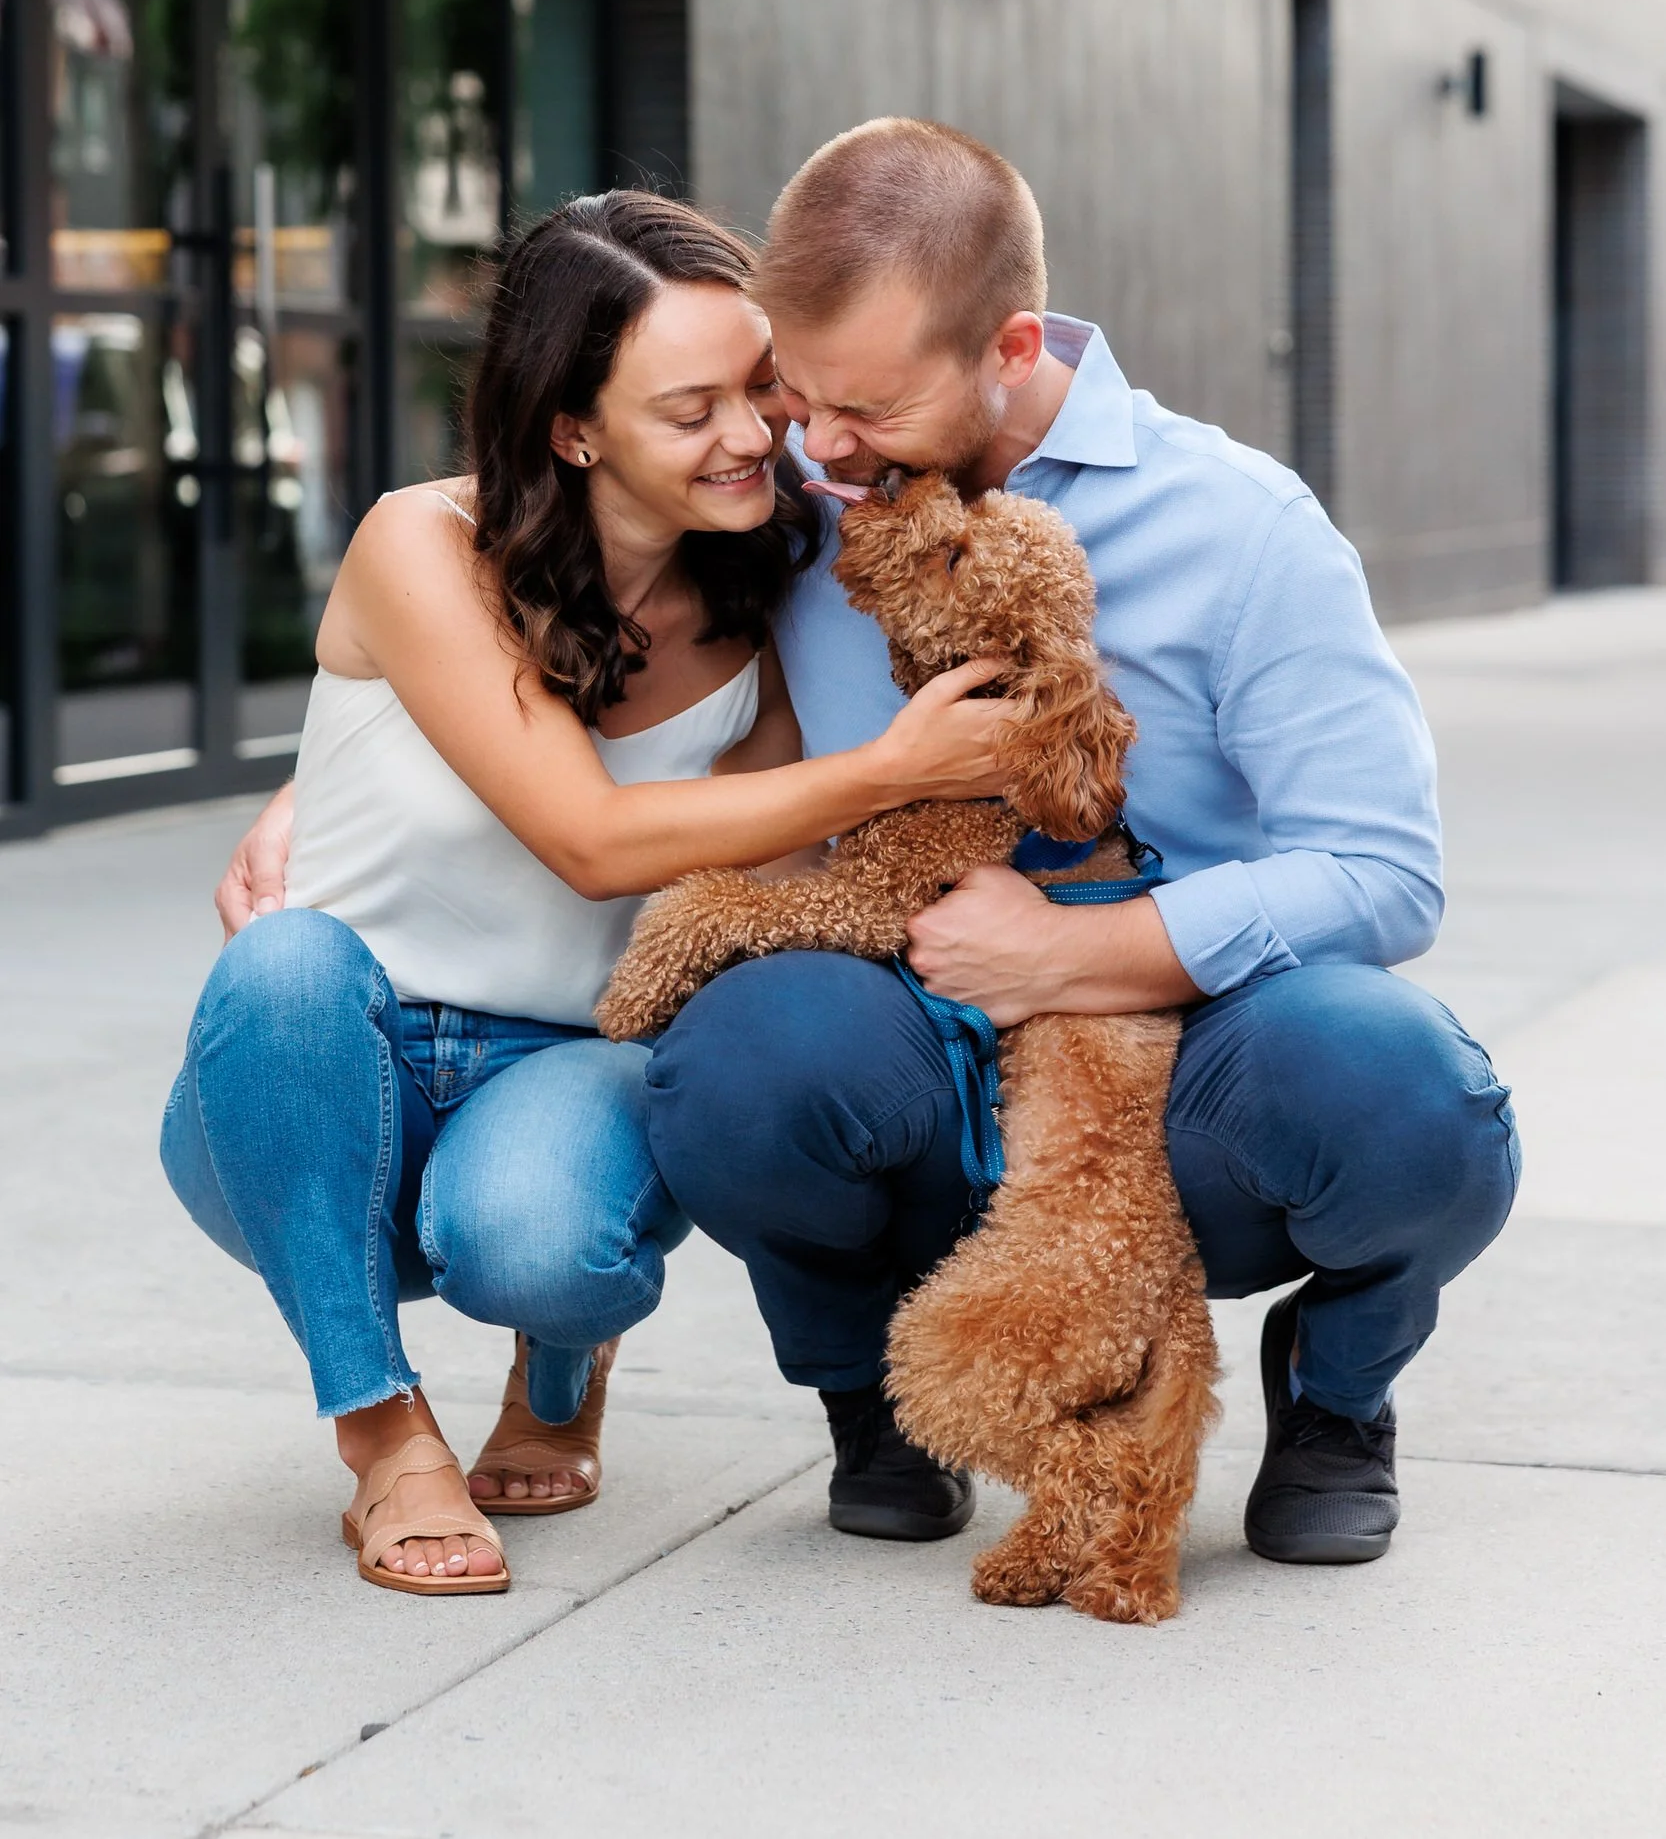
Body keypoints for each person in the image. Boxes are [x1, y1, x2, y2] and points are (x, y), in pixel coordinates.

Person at [221, 120, 1519, 1573]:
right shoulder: (790, 516)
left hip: (1177, 1073)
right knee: (740, 1057)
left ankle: (1336, 1398)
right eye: (794, 393)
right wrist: (311, 794)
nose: (806, 447)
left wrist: (1078, 951)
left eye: (860, 412)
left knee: (1403, 1088)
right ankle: (868, 1399)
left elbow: (1386, 872)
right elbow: (509, 648)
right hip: (901, 1036)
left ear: (1009, 344)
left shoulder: (1244, 530)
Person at [165, 190, 1011, 1596]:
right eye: (691, 412)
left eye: (760, 388)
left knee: (542, 1250)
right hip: (321, 1061)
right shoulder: (418, 544)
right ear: (573, 425)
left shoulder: (781, 579)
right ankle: (384, 1439)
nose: (750, 436)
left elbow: (763, 855)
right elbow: (586, 837)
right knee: (285, 963)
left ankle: (560, 1367)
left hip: (569, 1055)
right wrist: (886, 770)